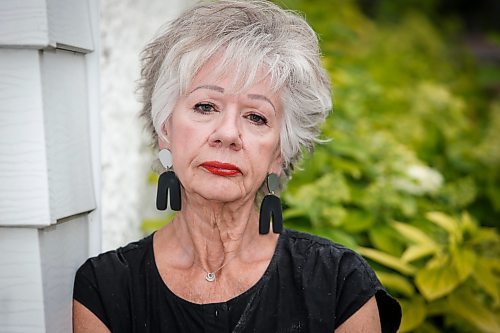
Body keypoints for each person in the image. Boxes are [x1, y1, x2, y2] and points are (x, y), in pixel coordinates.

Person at [73, 1, 402, 332]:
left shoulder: (340, 286)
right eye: (205, 106)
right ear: (165, 130)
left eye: (256, 116)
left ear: (280, 153)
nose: (228, 134)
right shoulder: (105, 289)